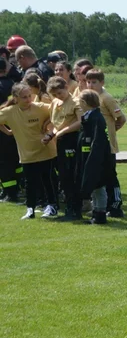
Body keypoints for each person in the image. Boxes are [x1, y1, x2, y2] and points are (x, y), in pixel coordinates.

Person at [0, 82, 58, 219]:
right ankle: (30, 209)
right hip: (26, 153)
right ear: (15, 98)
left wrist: (46, 123)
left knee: (47, 180)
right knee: (29, 182)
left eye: (29, 96)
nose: (29, 100)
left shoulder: (40, 107)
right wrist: (7, 131)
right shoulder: (10, 112)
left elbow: (57, 110)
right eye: (24, 97)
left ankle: (52, 206)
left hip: (45, 150)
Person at [84, 69, 125, 218]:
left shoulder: (106, 97)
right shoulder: (90, 98)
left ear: (102, 83)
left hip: (108, 144)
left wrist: (111, 132)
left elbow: (121, 118)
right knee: (99, 175)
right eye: (88, 82)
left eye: (94, 82)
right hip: (97, 144)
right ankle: (101, 206)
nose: (90, 85)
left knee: (110, 176)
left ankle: (115, 205)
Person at [46, 77, 80, 219]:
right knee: (63, 176)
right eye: (55, 94)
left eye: (60, 93)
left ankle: (75, 209)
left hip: (71, 140)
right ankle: (68, 208)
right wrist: (49, 135)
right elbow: (54, 123)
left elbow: (80, 122)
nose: (58, 96)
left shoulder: (76, 102)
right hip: (58, 140)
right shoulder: (54, 102)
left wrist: (63, 131)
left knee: (71, 174)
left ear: (66, 87)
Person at [76, 90, 111, 225]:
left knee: (99, 186)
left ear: (84, 103)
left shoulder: (97, 118)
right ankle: (95, 212)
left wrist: (94, 157)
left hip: (97, 158)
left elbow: (99, 141)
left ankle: (100, 214)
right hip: (88, 156)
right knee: (94, 186)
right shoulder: (88, 116)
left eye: (80, 102)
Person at [0, 49, 21, 202]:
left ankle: (10, 192)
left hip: (2, 128)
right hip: (14, 127)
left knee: (4, 162)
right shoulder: (14, 85)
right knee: (15, 160)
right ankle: (17, 188)